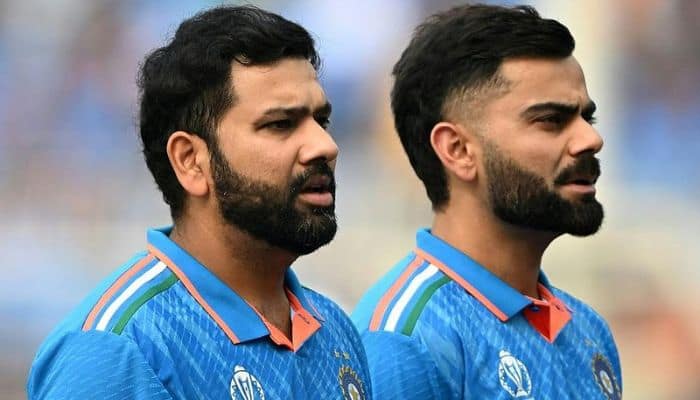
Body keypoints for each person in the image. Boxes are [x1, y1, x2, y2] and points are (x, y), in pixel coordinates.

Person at [27, 6, 371, 399]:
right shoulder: (117, 351)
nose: (325, 146)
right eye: (280, 124)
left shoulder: (336, 331)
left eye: (321, 122)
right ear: (191, 161)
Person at [352, 4, 621, 399]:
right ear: (458, 150)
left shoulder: (588, 332)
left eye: (587, 119)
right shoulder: (406, 341)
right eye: (551, 120)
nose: (590, 139)